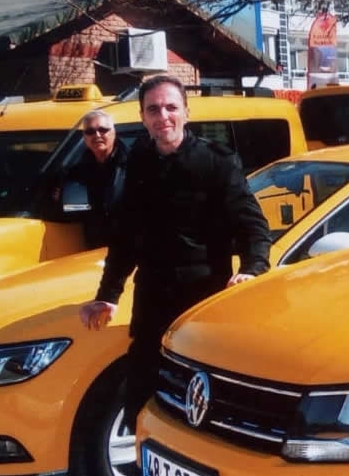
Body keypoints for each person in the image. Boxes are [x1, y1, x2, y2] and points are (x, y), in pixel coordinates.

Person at [79, 74, 272, 431]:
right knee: (140, 402)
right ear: (142, 117)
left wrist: (252, 269)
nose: (163, 116)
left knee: (198, 410)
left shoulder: (216, 162)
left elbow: (254, 227)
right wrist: (108, 295)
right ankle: (147, 462)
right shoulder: (139, 160)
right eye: (153, 109)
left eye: (171, 107)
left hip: (202, 301)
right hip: (152, 300)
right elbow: (125, 237)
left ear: (186, 112)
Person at [55, 110, 128, 249]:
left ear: (113, 132)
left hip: (129, 248)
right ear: (84, 137)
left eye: (103, 130)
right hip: (93, 249)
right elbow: (70, 213)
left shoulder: (135, 165)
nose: (97, 135)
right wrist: (59, 199)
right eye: (90, 131)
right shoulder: (75, 173)